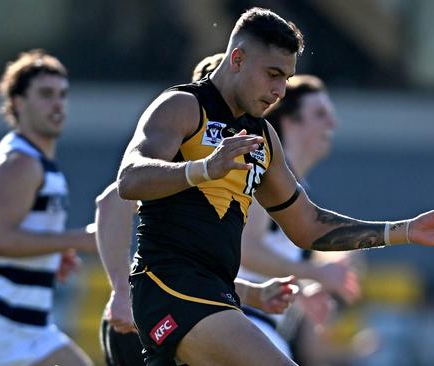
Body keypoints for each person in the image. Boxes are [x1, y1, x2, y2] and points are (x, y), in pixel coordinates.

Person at [115, 7, 434, 365]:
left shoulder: (263, 137)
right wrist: (202, 170)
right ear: (237, 59)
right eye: (272, 74)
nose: (279, 90)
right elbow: (129, 179)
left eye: (286, 78)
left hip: (217, 295)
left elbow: (309, 226)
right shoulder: (183, 106)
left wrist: (405, 230)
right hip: (170, 289)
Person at [98, 52, 298, 366]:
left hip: (186, 305)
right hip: (143, 316)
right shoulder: (184, 149)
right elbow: (112, 201)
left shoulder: (235, 169)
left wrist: (254, 295)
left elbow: (196, 269)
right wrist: (121, 290)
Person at [0, 50, 97, 366]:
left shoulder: (31, 158)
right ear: (18, 103)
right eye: (46, 94)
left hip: (31, 329)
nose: (58, 104)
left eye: (63, 94)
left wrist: (48, 252)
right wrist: (75, 240)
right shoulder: (20, 162)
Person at [237, 74, 363, 362]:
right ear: (290, 121)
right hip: (241, 322)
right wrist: (317, 274)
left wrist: (303, 290)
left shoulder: (293, 183)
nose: (332, 124)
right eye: (320, 114)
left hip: (251, 325)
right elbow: (245, 251)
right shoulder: (269, 173)